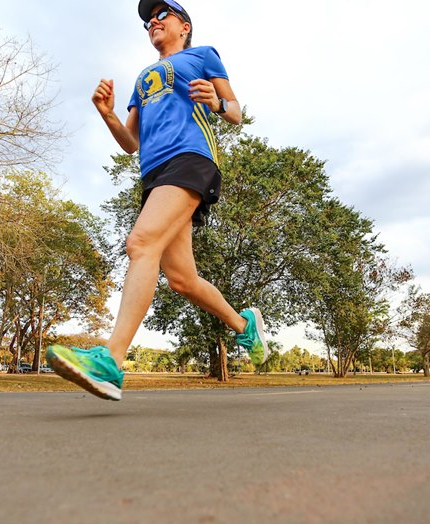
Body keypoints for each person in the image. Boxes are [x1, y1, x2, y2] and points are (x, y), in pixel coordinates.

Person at [45, 0, 268, 401]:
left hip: (192, 157)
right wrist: (107, 114)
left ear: (184, 26)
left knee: (141, 243)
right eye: (148, 20)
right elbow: (131, 143)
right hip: (154, 173)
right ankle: (244, 325)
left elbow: (235, 111)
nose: (153, 22)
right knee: (182, 280)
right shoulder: (143, 77)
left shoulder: (203, 56)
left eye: (162, 15)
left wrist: (216, 103)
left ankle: (110, 361)